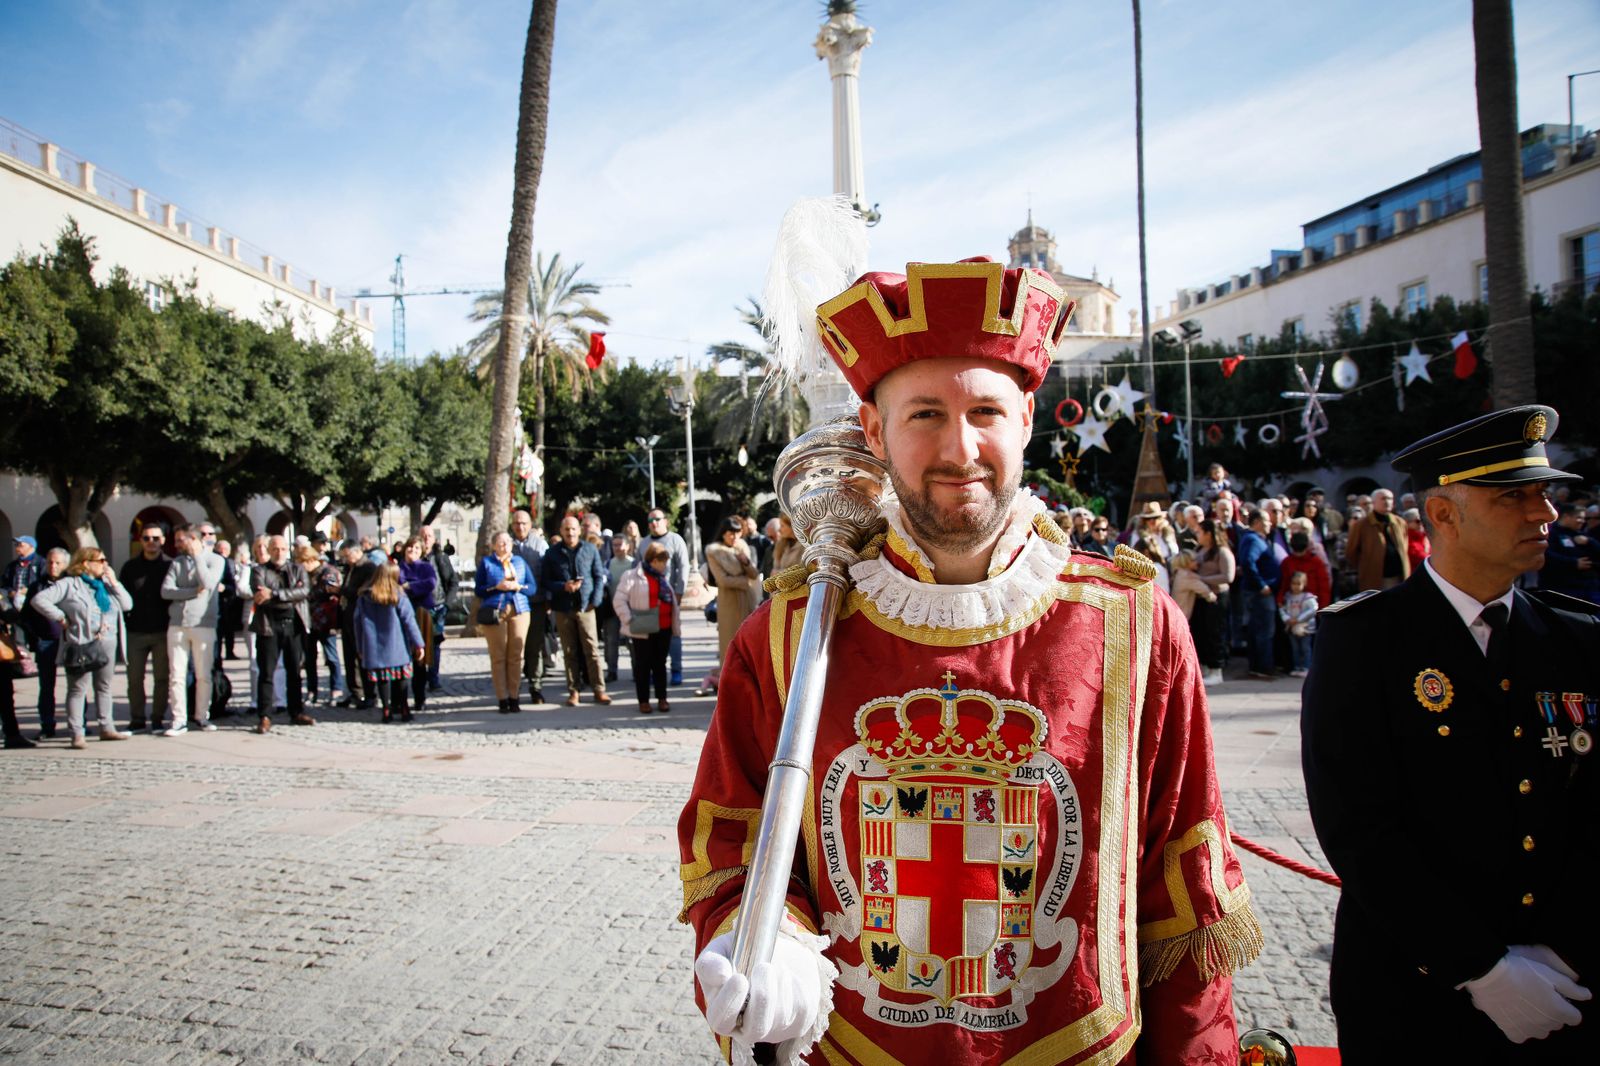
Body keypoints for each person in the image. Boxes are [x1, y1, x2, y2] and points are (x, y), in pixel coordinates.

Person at [681, 257, 1259, 1063]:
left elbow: (1182, 900)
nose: (960, 448)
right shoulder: (782, 637)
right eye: (925, 414)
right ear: (873, 432)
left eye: (986, 410)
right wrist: (770, 937)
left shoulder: (1138, 627)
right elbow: (733, 847)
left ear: (1027, 418)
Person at [1303, 405, 1598, 1060]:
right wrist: (1481, 968)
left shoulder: (1579, 639)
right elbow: (1357, 826)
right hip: (1417, 994)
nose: (1545, 513)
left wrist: (1568, 948)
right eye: (1514, 496)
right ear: (1443, 514)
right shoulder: (1364, 642)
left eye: (1544, 493)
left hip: (1565, 987)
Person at [30, 547, 132, 749]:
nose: (105, 564)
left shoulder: (106, 584)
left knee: (104, 686)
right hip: (81, 642)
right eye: (101, 560)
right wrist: (61, 617)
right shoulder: (69, 584)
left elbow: (127, 605)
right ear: (86, 563)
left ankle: (107, 727)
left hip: (107, 641)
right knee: (78, 689)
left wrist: (115, 582)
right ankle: (77, 733)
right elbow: (39, 600)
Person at [160, 523, 225, 735]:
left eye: (183, 540)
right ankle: (179, 719)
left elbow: (208, 583)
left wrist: (198, 557)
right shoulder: (177, 563)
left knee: (203, 675)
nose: (179, 544)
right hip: (177, 623)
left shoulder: (215, 560)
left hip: (203, 623)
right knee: (176, 674)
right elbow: (166, 591)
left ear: (195, 540)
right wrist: (191, 592)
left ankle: (202, 716)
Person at [542, 515, 611, 708]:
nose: (570, 533)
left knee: (592, 650)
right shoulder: (552, 553)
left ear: (579, 530)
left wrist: (595, 601)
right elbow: (546, 580)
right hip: (563, 608)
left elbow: (598, 576)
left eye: (573, 529)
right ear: (561, 531)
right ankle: (574, 691)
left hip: (586, 607)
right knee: (569, 651)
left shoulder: (590, 549)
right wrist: (563, 586)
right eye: (566, 529)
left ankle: (599, 689)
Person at [250, 534, 313, 733]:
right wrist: (288, 594)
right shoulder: (259, 570)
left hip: (293, 625)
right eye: (275, 549)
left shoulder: (297, 569)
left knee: (294, 671)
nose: (279, 552)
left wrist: (275, 594)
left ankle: (296, 711)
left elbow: (304, 592)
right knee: (266, 672)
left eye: (283, 549)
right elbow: (260, 596)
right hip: (268, 625)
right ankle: (265, 715)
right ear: (269, 550)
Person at [352, 563, 425, 723]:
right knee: (401, 678)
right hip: (397, 645)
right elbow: (409, 621)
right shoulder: (398, 595)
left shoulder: (364, 597)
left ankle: (386, 709)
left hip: (375, 647)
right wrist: (418, 643)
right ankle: (404, 708)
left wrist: (360, 646)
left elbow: (357, 623)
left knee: (383, 679)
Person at [613, 542, 678, 715]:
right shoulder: (632, 576)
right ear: (654, 560)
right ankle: (644, 701)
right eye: (662, 562)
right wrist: (629, 619)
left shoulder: (661, 577)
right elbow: (619, 600)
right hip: (642, 628)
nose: (665, 565)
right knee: (643, 665)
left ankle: (662, 698)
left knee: (660, 664)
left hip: (664, 627)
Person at [120, 522, 172, 733]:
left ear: (163, 540)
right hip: (136, 631)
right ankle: (137, 718)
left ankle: (158, 717)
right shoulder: (130, 567)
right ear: (140, 541)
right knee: (134, 679)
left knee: (162, 678)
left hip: (163, 631)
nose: (151, 542)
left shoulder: (171, 565)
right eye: (147, 538)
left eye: (156, 538)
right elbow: (122, 598)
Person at [476, 531, 534, 714]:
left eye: (508, 542)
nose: (505, 545)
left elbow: (532, 587)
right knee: (498, 656)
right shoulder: (487, 563)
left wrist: (519, 587)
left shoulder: (520, 562)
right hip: (495, 611)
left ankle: (514, 696)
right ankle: (502, 697)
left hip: (519, 609)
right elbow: (479, 590)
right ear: (494, 545)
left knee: (516, 655)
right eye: (501, 542)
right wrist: (496, 587)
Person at [703, 516, 761, 694]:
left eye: (737, 533)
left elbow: (754, 573)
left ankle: (751, 684)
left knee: (750, 643)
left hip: (748, 601)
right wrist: (744, 581)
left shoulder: (742, 546)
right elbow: (722, 580)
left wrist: (746, 562)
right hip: (728, 603)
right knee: (730, 644)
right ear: (723, 534)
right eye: (730, 533)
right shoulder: (714, 551)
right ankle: (730, 685)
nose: (734, 537)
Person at [639, 507, 690, 686]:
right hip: (649, 598)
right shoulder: (644, 543)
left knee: (673, 635)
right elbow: (638, 568)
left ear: (666, 521)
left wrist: (679, 592)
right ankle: (655, 671)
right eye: (650, 521)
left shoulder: (675, 540)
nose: (654, 523)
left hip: (670, 597)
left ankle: (676, 670)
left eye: (657, 519)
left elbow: (683, 567)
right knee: (652, 636)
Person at [21, 548, 68, 739]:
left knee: (76, 686)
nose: (53, 566)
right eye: (50, 562)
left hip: (71, 641)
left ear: (65, 564)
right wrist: (35, 637)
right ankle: (47, 725)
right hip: (46, 641)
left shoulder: (73, 583)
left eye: (57, 563)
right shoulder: (38, 586)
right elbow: (26, 615)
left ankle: (78, 724)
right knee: (46, 686)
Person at [508, 509, 553, 705]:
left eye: (524, 523)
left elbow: (547, 572)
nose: (520, 527)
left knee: (535, 646)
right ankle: (513, 688)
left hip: (536, 602)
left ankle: (535, 686)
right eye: (517, 523)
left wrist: (548, 599)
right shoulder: (506, 544)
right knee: (515, 648)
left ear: (530, 525)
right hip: (512, 605)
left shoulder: (539, 544)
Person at [298, 544, 345, 706]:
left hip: (326, 621)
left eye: (303, 562)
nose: (301, 566)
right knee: (309, 659)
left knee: (331, 657)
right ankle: (312, 690)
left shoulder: (328, 572)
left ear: (311, 560)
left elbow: (335, 591)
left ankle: (336, 689)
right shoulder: (305, 574)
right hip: (308, 621)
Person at [1236, 509, 1280, 679]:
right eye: (1266, 521)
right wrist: (1261, 585)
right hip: (1259, 594)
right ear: (1257, 522)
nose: (1269, 524)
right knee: (1264, 631)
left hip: (1258, 592)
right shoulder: (1253, 540)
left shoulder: (1256, 539)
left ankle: (1258, 666)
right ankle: (1263, 667)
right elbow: (1248, 562)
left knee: (1258, 629)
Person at [1192, 518, 1235, 687]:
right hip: (1201, 598)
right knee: (1202, 633)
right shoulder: (1200, 550)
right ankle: (1206, 667)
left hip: (1217, 597)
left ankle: (1217, 670)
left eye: (1199, 532)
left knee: (1215, 633)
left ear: (1208, 534)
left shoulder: (1223, 552)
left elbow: (1228, 576)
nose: (1197, 535)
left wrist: (1202, 579)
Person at [396, 537, 436, 714]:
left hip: (421, 613)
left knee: (420, 659)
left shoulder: (426, 567)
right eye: (410, 547)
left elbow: (430, 583)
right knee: (401, 657)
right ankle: (399, 700)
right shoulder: (398, 567)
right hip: (401, 614)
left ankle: (420, 698)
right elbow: (397, 585)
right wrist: (406, 587)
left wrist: (410, 586)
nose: (413, 550)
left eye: (417, 548)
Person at [336, 540, 378, 709]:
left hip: (362, 617)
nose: (345, 560)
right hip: (347, 616)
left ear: (356, 552)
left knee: (362, 657)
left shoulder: (369, 568)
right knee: (349, 658)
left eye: (347, 556)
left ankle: (369, 694)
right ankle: (355, 692)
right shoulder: (350, 568)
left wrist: (340, 590)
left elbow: (363, 592)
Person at [1344, 487, 1410, 592]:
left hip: (1399, 576)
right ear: (1373, 502)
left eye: (1390, 498)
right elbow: (1351, 552)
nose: (1387, 502)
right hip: (1374, 578)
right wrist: (1365, 566)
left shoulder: (1400, 522)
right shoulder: (1361, 525)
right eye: (1383, 498)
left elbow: (1405, 545)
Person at [1541, 503, 1599, 603]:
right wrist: (1573, 563)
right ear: (1566, 516)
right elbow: (1547, 556)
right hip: (1561, 588)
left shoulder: (1583, 535)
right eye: (1579, 518)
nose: (1582, 521)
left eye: (1583, 518)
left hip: (1587, 587)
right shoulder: (1550, 534)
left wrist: (1590, 542)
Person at [420, 524, 454, 690]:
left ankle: (433, 678)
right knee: (418, 644)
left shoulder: (440, 557)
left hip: (437, 606)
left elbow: (452, 582)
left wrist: (447, 604)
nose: (426, 539)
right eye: (423, 535)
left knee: (434, 644)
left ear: (434, 539)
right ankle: (420, 679)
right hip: (419, 607)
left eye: (429, 536)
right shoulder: (414, 556)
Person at [601, 534, 633, 684]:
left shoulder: (634, 564)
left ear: (627, 546)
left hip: (630, 608)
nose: (617, 548)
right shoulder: (608, 564)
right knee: (610, 640)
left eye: (620, 544)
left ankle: (637, 669)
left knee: (632, 641)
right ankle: (611, 670)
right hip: (611, 609)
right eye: (615, 545)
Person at [1278, 571, 1317, 678]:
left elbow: (1313, 609)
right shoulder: (1288, 597)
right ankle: (1297, 667)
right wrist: (1287, 619)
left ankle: (1306, 667)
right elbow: (1282, 609)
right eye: (1293, 583)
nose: (1295, 586)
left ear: (1304, 584)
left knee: (1305, 648)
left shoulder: (1308, 597)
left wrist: (1299, 619)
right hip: (1291, 627)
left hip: (1305, 628)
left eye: (1298, 584)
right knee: (1295, 648)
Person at [4, 535, 43, 613]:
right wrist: (10, 592)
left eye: (21, 545)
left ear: (31, 548)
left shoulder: (41, 563)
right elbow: (5, 583)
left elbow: (44, 583)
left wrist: (29, 591)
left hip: (33, 601)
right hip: (14, 600)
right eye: (16, 545)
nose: (17, 548)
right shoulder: (12, 565)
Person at [1402, 506, 1432, 573]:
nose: (1422, 523)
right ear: (1407, 523)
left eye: (1423, 520)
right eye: (1418, 521)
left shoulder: (1426, 536)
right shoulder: (1406, 538)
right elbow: (1418, 558)